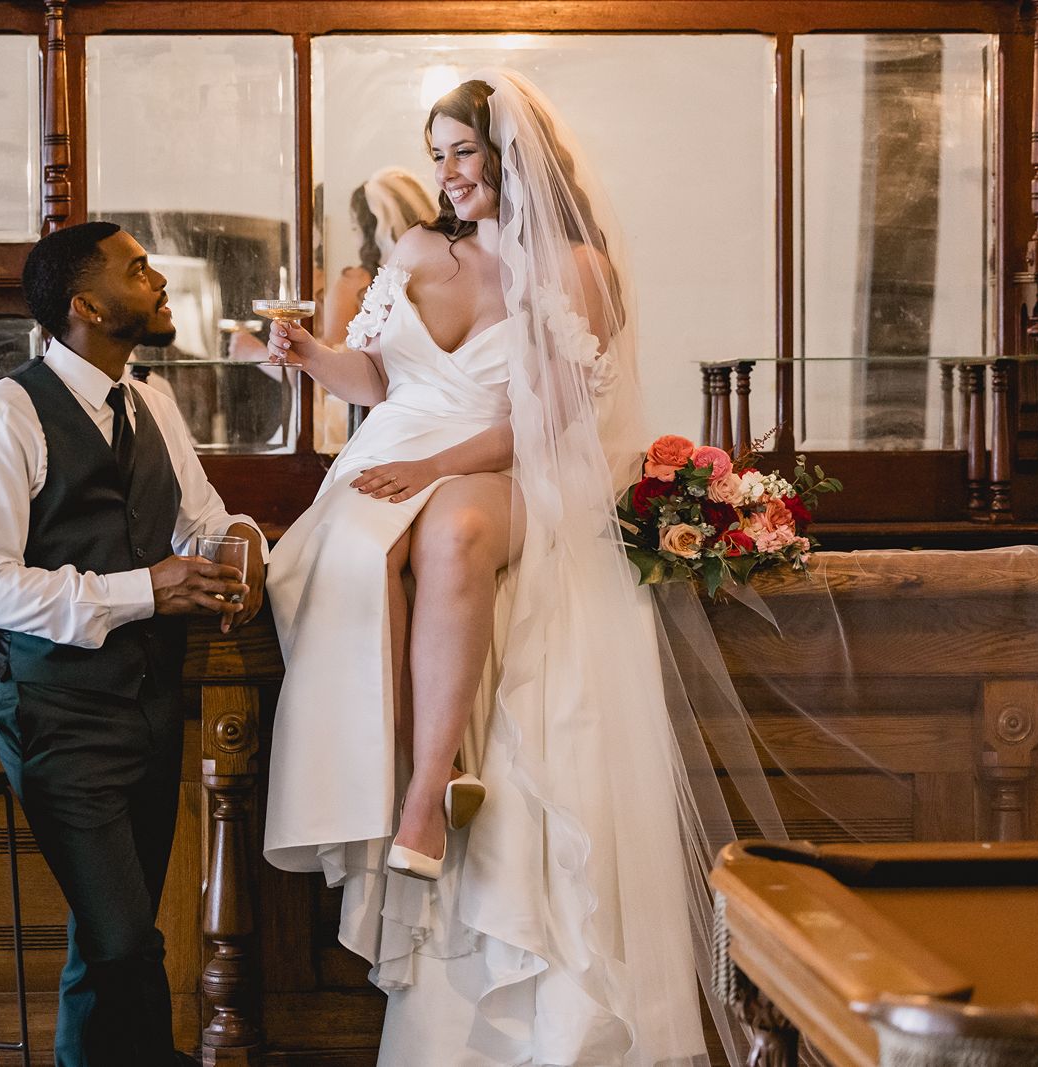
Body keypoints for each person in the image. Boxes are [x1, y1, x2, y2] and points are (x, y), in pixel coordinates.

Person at [262, 73, 720, 1065]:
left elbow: (549, 421)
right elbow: (376, 376)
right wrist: (308, 354)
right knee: (348, 552)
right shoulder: (418, 247)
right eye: (435, 154)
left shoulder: (575, 268)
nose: (445, 172)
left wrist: (431, 466)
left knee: (455, 531)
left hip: (517, 465)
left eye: (461, 151)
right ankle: (377, 777)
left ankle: (430, 788)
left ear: (512, 156)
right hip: (396, 449)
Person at [0, 220, 267, 1067]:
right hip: (54, 712)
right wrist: (146, 589)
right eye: (138, 268)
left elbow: (205, 518)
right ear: (86, 305)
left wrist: (245, 546)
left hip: (153, 708)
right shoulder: (1, 416)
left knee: (107, 936)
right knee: (127, 941)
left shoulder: (153, 401)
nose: (159, 278)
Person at [312, 168, 439, 451]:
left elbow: (334, 355)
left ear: (370, 232)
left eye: (355, 229)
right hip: (427, 413)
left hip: (362, 412)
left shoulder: (353, 283)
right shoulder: (442, 279)